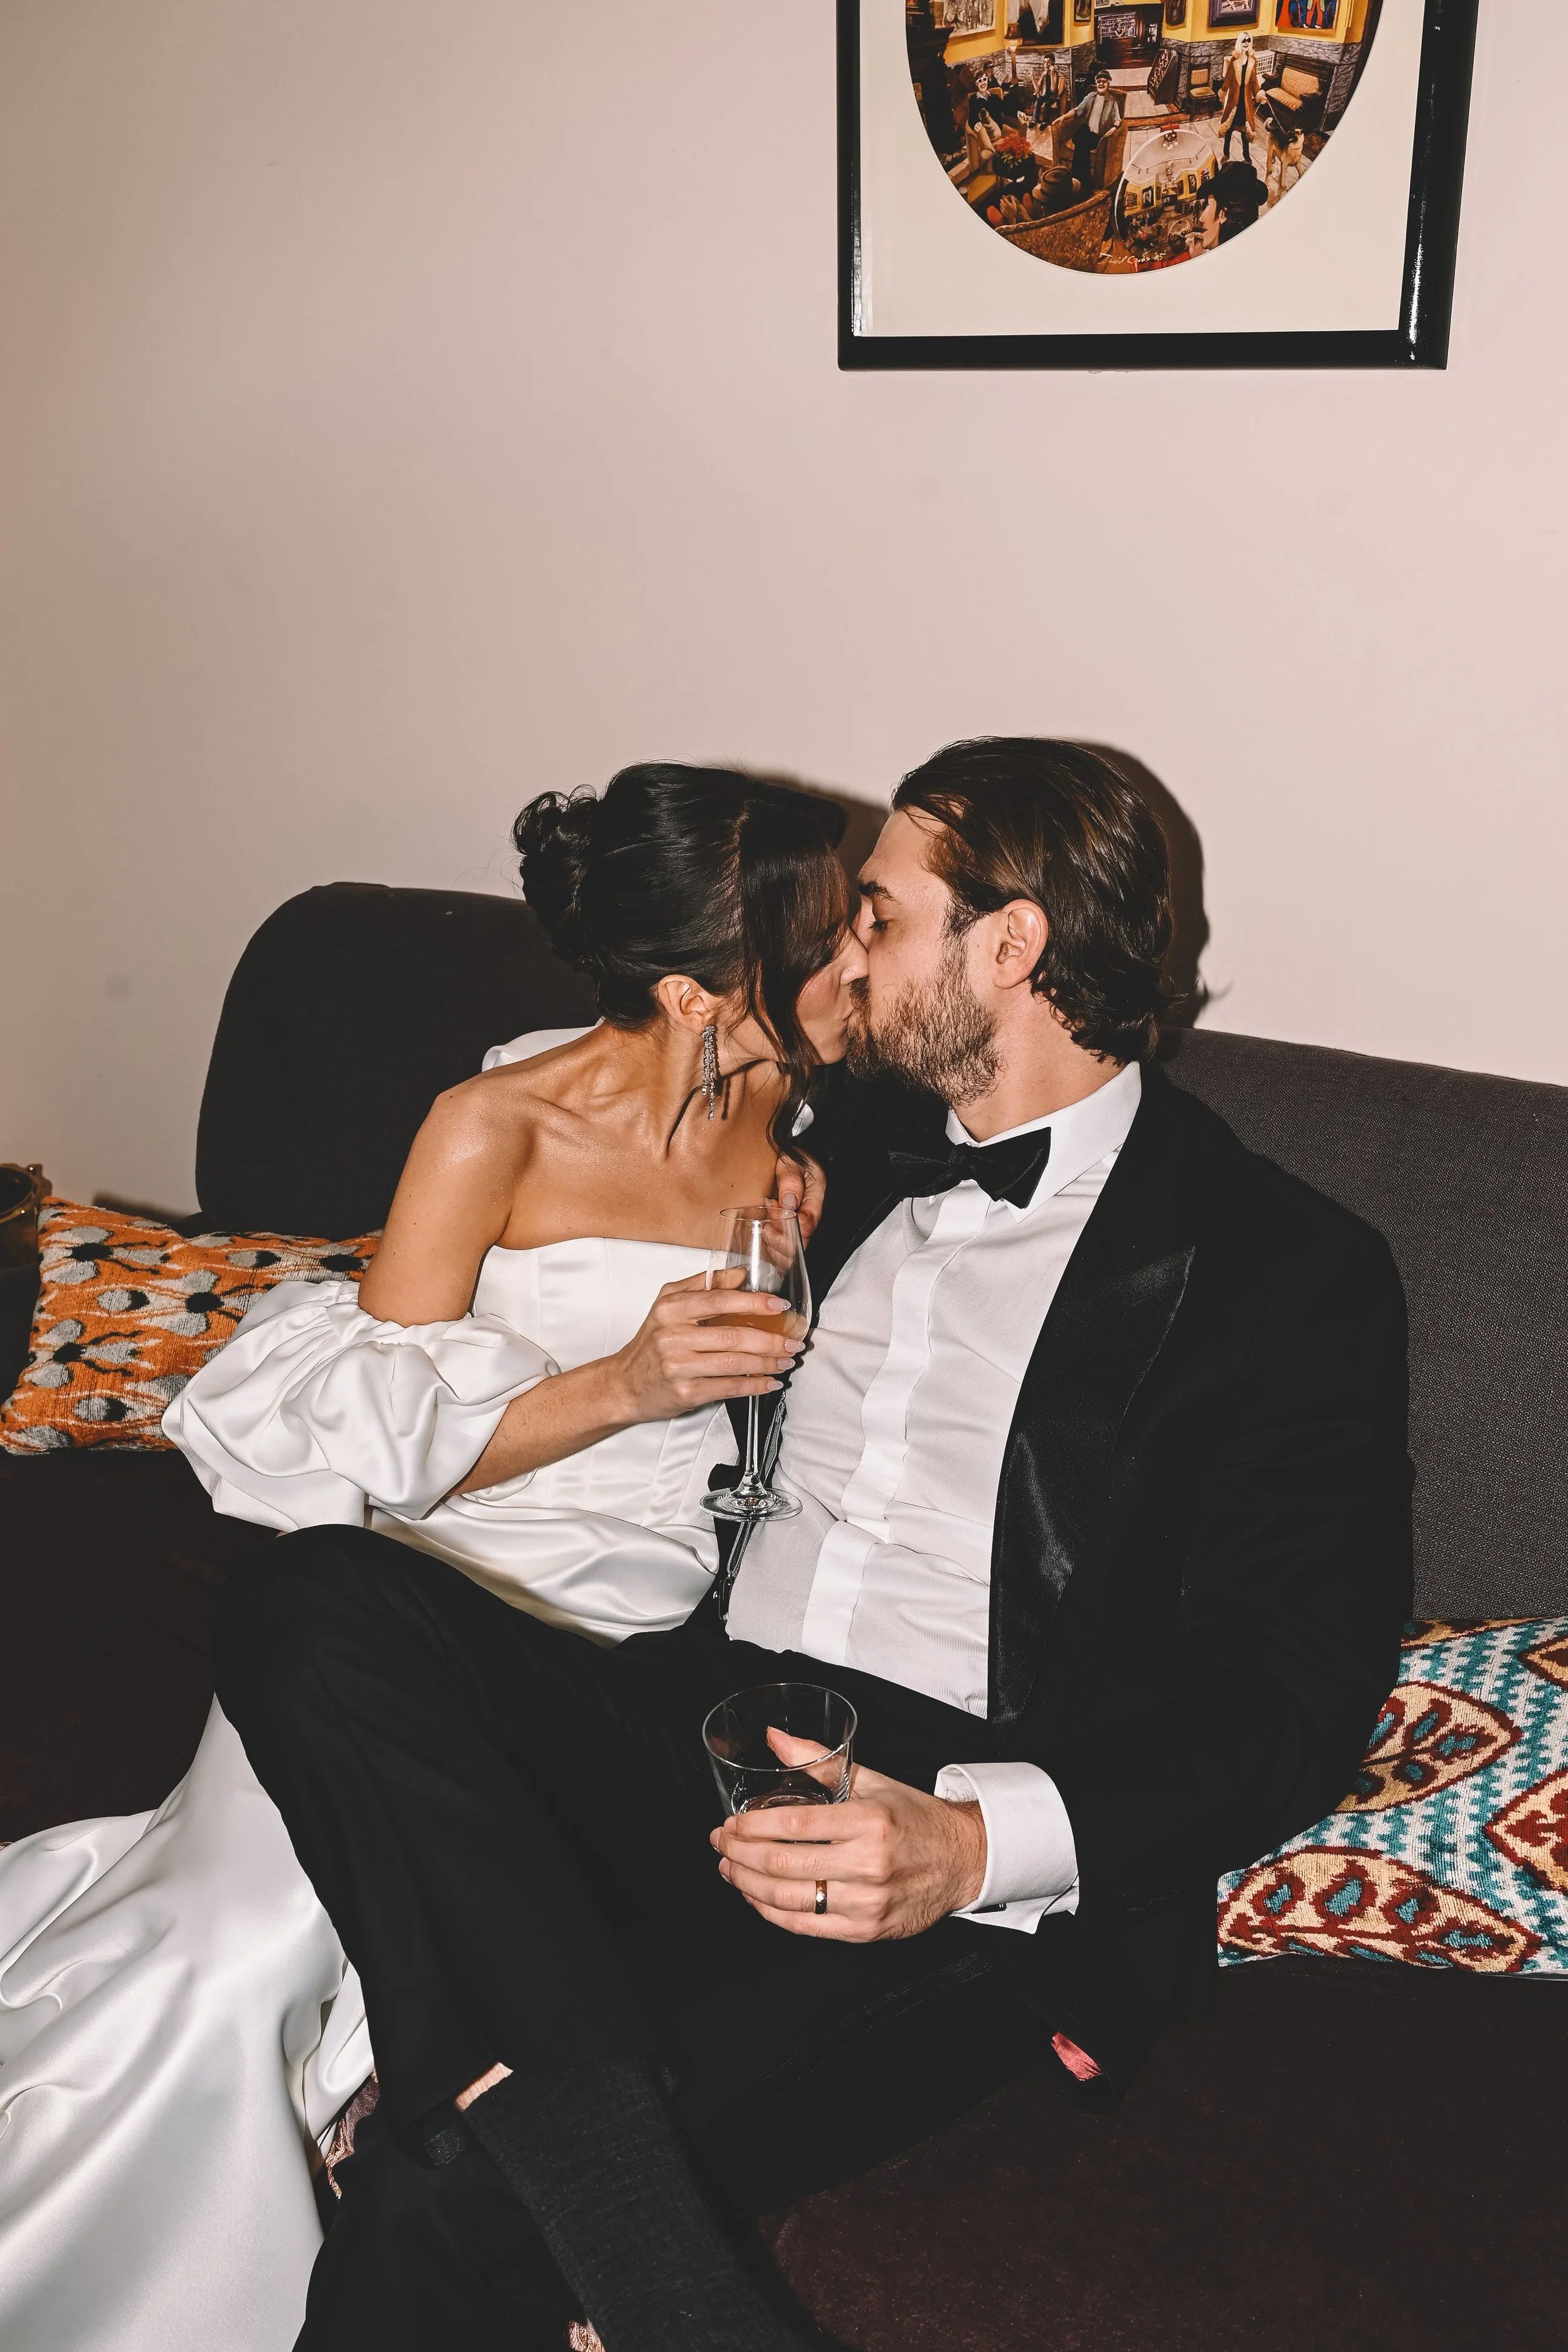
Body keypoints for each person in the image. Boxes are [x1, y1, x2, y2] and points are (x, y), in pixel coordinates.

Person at [216, 738, 1414, 2352]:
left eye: (882, 917)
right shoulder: (832, 1151)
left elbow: (1292, 1698)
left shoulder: (1284, 1268)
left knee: (447, 2199)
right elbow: (636, 1043)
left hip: (933, 1807)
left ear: (1011, 945)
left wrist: (970, 1845)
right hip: (696, 1715)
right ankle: (553, 2109)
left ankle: (557, 2173)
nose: (847, 955)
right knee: (311, 1594)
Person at [0, 764, 864, 2352]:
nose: (863, 955)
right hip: (417, 1596)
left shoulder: (783, 1101)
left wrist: (796, 1216)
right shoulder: (489, 1129)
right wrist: (628, 1383)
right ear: (697, 990)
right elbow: (369, 1431)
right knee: (234, 1949)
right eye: (830, 936)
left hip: (637, 1631)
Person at [1068, 66, 1121, 195]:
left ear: (1108, 83)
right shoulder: (1091, 96)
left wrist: (1114, 128)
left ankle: (1078, 179)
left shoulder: (1112, 101)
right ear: (1096, 83)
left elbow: (1118, 119)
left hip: (1098, 135)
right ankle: (1084, 180)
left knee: (1082, 142)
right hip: (1086, 131)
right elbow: (1078, 110)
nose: (1101, 84)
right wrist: (1063, 117)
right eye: (1099, 81)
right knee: (1081, 138)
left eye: (1104, 81)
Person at [1217, 31, 1262, 166]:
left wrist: (1259, 94)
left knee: (1245, 131)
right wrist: (1223, 91)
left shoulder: (1253, 60)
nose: (1246, 43)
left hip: (1246, 101)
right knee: (1229, 128)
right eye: (1244, 40)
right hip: (1234, 101)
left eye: (1248, 40)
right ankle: (1226, 153)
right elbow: (1228, 78)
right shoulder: (1234, 60)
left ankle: (1247, 158)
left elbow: (1254, 81)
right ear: (1239, 42)